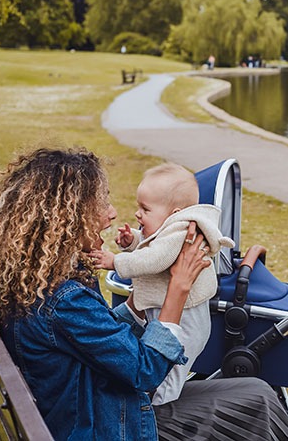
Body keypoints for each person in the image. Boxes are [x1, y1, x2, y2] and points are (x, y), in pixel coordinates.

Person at [0, 148, 288, 441]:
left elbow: (96, 338)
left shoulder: (42, 284)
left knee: (256, 391)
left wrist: (137, 304)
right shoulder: (63, 300)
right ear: (68, 218)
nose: (112, 213)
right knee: (257, 401)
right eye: (101, 204)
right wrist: (178, 289)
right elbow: (146, 371)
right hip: (109, 426)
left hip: (100, 406)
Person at [89, 163, 234, 405]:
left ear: (174, 213)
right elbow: (155, 245)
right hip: (174, 315)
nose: (138, 214)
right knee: (166, 365)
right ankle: (155, 399)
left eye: (145, 209)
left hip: (186, 321)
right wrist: (133, 241)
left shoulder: (181, 231)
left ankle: (161, 405)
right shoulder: (172, 229)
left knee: (173, 370)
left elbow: (156, 257)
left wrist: (115, 261)